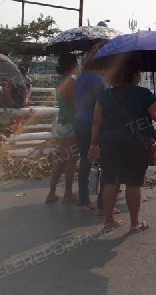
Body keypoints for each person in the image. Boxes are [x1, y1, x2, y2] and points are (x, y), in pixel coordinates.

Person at [88, 63, 156, 233]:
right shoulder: (144, 94)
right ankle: (134, 223)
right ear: (135, 76)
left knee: (110, 181)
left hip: (109, 143)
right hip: (136, 143)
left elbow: (96, 122)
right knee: (133, 182)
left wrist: (93, 144)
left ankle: (109, 221)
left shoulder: (105, 95)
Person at [74, 42, 108, 213]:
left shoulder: (79, 80)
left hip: (79, 121)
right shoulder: (97, 81)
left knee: (85, 161)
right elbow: (103, 104)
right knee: (106, 162)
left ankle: (84, 200)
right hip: (93, 124)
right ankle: (103, 202)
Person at [45, 54, 79, 204]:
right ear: (71, 66)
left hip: (63, 122)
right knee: (71, 160)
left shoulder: (59, 81)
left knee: (61, 159)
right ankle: (67, 193)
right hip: (71, 123)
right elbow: (74, 103)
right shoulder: (70, 81)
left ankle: (52, 193)